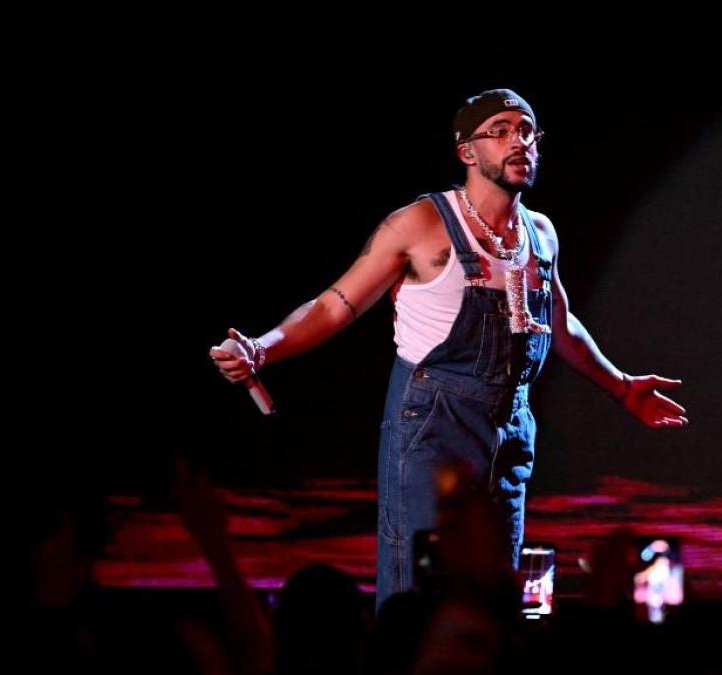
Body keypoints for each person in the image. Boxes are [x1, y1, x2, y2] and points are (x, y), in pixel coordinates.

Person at [210, 89, 688, 609]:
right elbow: (334, 305)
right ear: (467, 151)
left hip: (511, 428)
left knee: (493, 588)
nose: (519, 142)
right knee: (420, 589)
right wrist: (262, 349)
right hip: (434, 423)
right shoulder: (420, 224)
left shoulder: (540, 234)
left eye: (527, 131)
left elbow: (558, 321)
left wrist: (621, 387)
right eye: (500, 131)